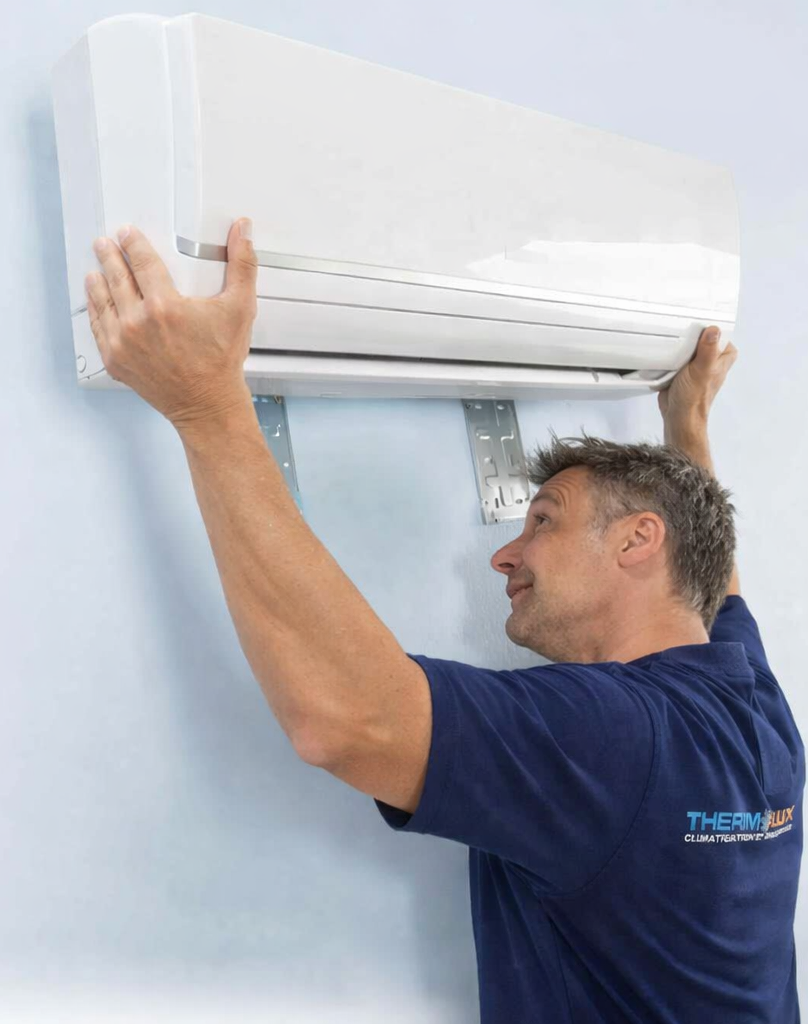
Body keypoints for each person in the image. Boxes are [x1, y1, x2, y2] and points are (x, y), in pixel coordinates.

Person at [85, 222, 804, 1024]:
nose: (505, 555)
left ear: (640, 540)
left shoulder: (612, 737)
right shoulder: (754, 707)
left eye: (543, 520)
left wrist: (206, 405)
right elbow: (717, 579)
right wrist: (689, 427)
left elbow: (349, 722)